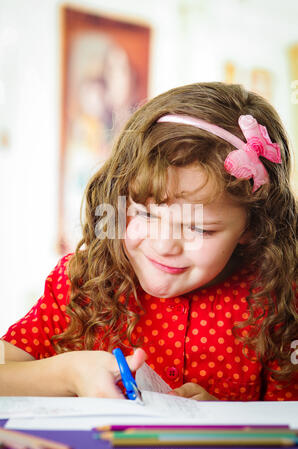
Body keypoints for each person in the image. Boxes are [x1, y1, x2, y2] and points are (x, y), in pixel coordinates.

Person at [1, 82, 297, 400]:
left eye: (199, 230)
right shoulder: (82, 282)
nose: (164, 245)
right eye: (145, 214)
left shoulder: (279, 299)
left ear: (253, 225)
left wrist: (228, 424)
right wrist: (69, 374)